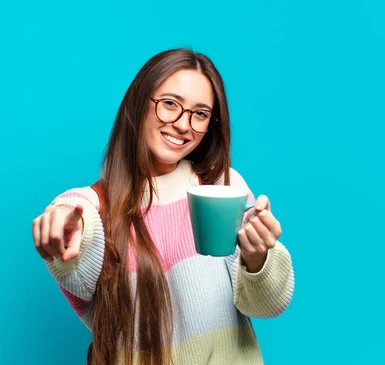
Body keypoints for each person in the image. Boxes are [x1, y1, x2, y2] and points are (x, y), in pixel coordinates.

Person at [31, 48, 295, 365]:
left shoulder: (224, 188)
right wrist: (62, 220)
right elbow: (78, 216)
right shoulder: (96, 206)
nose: (183, 124)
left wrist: (259, 257)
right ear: (139, 104)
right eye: (170, 104)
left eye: (199, 114)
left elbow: (270, 304)